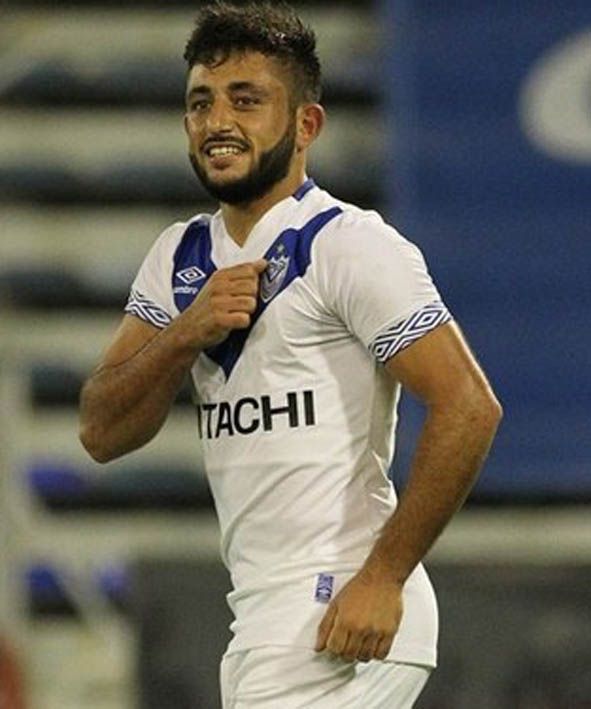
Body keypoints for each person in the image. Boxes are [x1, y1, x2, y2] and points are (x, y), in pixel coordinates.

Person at [79, 2, 502, 707]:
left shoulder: (349, 244)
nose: (218, 121)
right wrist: (185, 332)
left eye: (246, 100)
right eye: (201, 103)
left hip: (335, 607)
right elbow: (101, 431)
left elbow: (469, 406)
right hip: (262, 613)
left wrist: (383, 577)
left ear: (306, 125)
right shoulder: (178, 257)